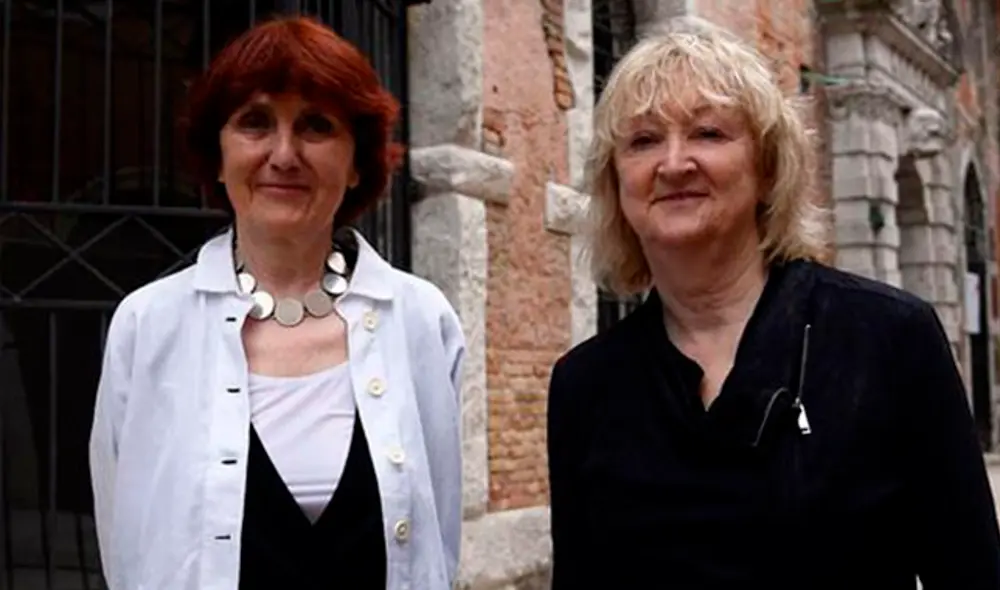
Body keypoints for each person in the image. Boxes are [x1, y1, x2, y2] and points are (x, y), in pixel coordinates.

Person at [546, 20, 1000, 589]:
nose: (674, 162)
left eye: (708, 133)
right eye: (643, 140)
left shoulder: (889, 339)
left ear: (766, 168)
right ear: (615, 181)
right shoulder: (584, 385)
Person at [89, 16, 464, 590]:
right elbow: (127, 544)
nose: (284, 155)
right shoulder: (148, 326)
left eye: (316, 126)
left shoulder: (421, 322)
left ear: (357, 162)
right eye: (255, 122)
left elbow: (438, 538)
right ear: (218, 155)